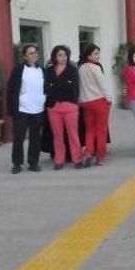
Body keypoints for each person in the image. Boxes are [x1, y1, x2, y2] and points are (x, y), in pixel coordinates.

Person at [7, 44, 46, 174]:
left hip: (38, 109)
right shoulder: (18, 69)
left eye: (35, 52)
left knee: (35, 137)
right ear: (25, 56)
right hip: (22, 109)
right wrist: (12, 109)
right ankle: (17, 163)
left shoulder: (42, 70)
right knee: (19, 137)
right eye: (30, 53)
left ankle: (33, 163)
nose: (34, 55)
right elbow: (11, 90)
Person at [43, 45, 83, 170]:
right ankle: (59, 159)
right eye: (60, 55)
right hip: (54, 107)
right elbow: (46, 88)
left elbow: (73, 86)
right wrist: (64, 84)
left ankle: (77, 159)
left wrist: (56, 84)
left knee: (73, 134)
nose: (63, 57)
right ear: (55, 56)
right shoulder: (49, 70)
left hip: (70, 106)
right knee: (57, 135)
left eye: (65, 55)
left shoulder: (72, 70)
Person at [78, 43, 111, 167]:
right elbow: (102, 86)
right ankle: (100, 157)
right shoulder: (96, 68)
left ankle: (88, 152)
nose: (98, 56)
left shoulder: (81, 68)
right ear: (89, 55)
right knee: (101, 130)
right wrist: (109, 99)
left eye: (98, 53)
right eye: (96, 54)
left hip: (86, 102)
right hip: (99, 101)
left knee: (90, 130)